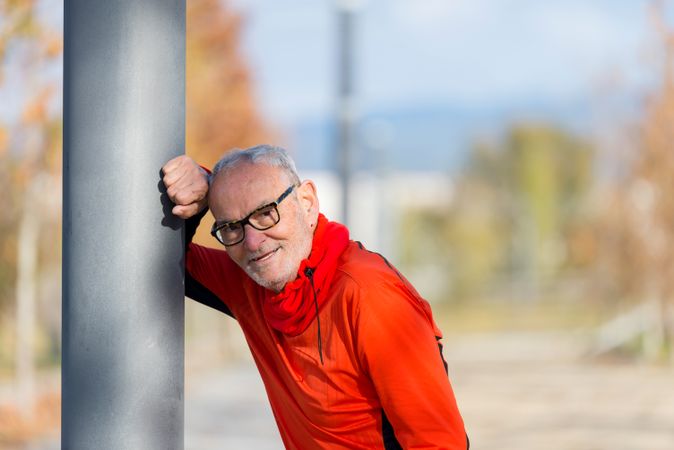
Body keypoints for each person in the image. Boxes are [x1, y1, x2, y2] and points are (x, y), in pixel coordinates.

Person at [162, 144, 468, 449]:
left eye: (267, 213)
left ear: (307, 203)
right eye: (230, 227)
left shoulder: (369, 294)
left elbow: (440, 443)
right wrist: (198, 193)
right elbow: (163, 264)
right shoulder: (250, 281)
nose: (253, 241)